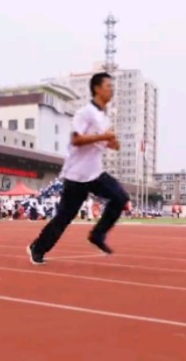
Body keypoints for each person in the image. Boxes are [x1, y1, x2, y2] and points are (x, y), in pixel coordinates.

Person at [27, 72, 129, 265]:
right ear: (97, 88)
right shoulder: (85, 113)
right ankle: (38, 247)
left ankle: (97, 235)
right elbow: (76, 139)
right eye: (108, 86)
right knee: (64, 218)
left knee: (120, 197)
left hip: (95, 173)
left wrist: (112, 143)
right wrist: (103, 137)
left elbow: (102, 141)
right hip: (76, 176)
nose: (112, 89)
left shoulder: (104, 117)